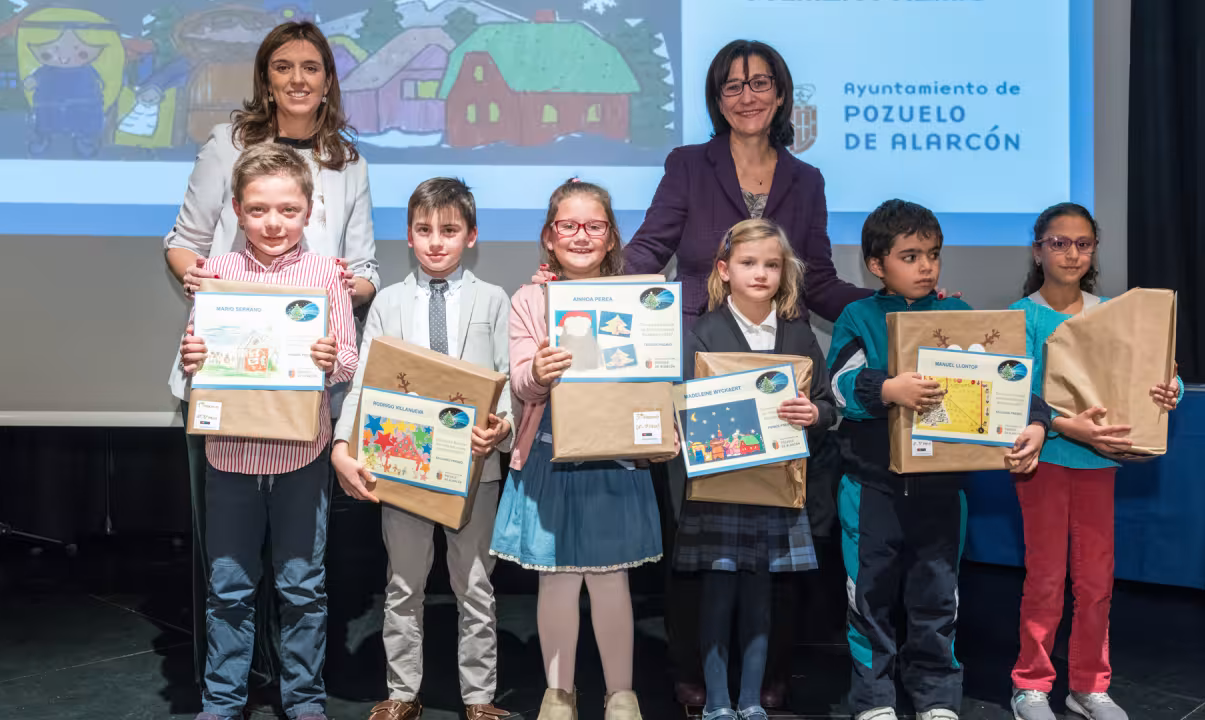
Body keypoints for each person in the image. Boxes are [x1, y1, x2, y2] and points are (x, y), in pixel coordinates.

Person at [614, 39, 873, 706]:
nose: (747, 95)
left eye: (759, 83)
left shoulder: (804, 179)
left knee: (771, 531)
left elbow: (815, 279)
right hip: (700, 362)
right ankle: (693, 672)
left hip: (777, 379)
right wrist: (589, 286)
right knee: (696, 531)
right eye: (732, 85)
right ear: (716, 99)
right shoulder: (688, 165)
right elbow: (651, 246)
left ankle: (768, 672)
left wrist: (886, 310)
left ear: (781, 95)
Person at [162, 20, 379, 694]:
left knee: (299, 572)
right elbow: (183, 241)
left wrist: (336, 294)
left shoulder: (348, 158)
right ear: (265, 76)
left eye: (311, 66)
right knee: (227, 570)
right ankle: (227, 691)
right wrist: (207, 289)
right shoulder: (228, 142)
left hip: (305, 391)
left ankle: (297, 691)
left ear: (327, 78)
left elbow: (366, 270)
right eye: (282, 66)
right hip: (226, 385)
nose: (297, 78)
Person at [827, 200, 1052, 720]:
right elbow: (838, 385)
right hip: (871, 487)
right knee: (869, 599)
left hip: (942, 489)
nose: (926, 266)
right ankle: (874, 698)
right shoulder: (858, 317)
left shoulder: (960, 315)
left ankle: (936, 697)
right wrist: (886, 387)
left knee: (937, 597)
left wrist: (1036, 422)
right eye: (910, 256)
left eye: (932, 254)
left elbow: (1012, 381)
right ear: (876, 264)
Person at [178, 142, 358, 720]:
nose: (272, 222)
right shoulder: (217, 275)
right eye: (257, 210)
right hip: (229, 451)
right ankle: (222, 702)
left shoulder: (328, 276)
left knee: (302, 588)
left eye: (286, 209)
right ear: (236, 209)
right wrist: (193, 353)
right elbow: (197, 358)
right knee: (227, 587)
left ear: (309, 211)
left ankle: (303, 701)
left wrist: (333, 357)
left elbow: (351, 361)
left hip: (303, 452)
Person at [490, 179, 677, 720]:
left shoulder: (636, 296)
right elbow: (520, 379)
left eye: (594, 226)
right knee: (557, 578)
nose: (581, 236)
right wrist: (537, 374)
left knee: (612, 577)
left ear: (612, 235)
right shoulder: (530, 299)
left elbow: (656, 376)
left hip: (615, 458)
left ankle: (622, 693)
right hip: (551, 455)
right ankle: (559, 693)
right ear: (549, 236)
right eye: (568, 226)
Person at [330, 178, 514, 720]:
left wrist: (501, 428)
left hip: (475, 468)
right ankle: (401, 692)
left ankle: (479, 699)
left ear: (471, 236)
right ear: (408, 236)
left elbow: (508, 380)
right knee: (403, 583)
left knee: (476, 586)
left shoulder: (493, 299)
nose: (437, 241)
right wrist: (343, 442)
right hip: (404, 465)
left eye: (450, 230)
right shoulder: (388, 301)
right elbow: (364, 380)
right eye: (424, 230)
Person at [1007, 203, 1181, 720]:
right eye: (1059, 243)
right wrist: (1064, 425)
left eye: (1083, 243)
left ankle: (1088, 685)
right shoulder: (1019, 317)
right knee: (1044, 577)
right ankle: (1030, 685)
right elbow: (1012, 397)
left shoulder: (1113, 313)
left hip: (1099, 465)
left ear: (1094, 250)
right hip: (1044, 463)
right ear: (1038, 250)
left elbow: (1151, 377)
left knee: (1096, 580)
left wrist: (1169, 390)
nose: (1072, 253)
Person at [674, 219, 837, 720]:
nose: (760, 274)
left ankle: (751, 699)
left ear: (785, 273)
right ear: (724, 271)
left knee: (763, 598)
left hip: (777, 491)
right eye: (748, 263)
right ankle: (718, 700)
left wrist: (815, 414)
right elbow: (680, 407)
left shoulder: (798, 334)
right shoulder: (701, 333)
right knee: (718, 596)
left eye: (771, 264)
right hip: (719, 488)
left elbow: (828, 405)